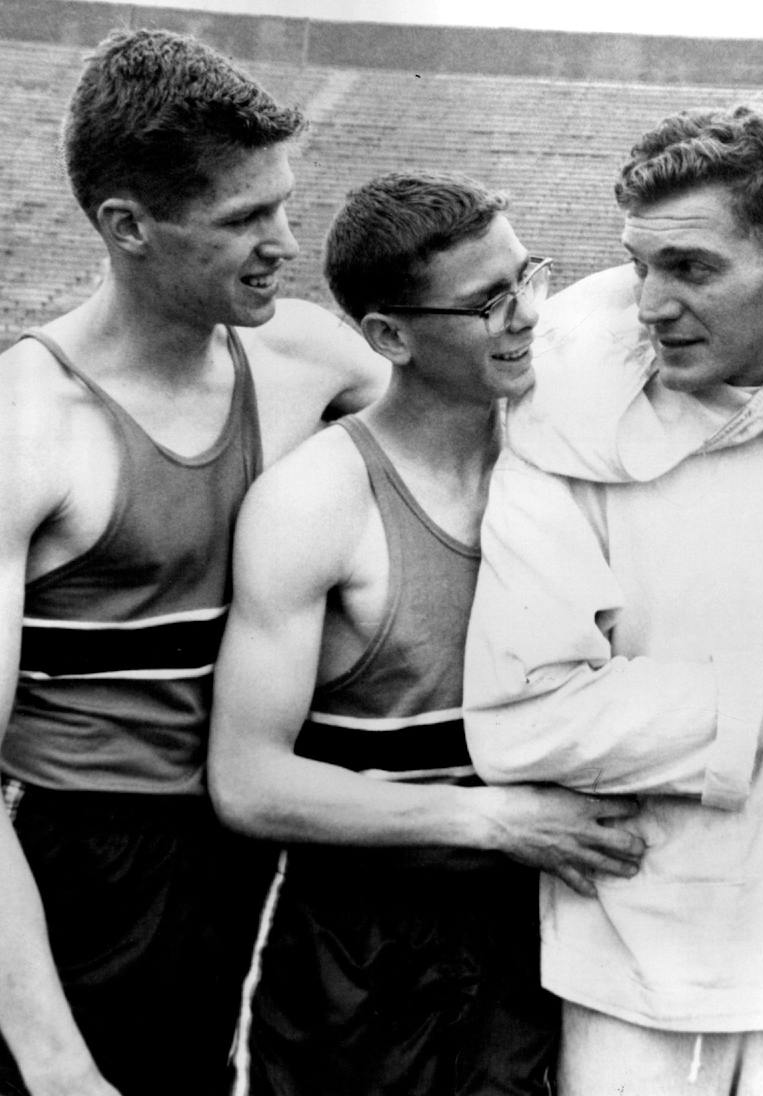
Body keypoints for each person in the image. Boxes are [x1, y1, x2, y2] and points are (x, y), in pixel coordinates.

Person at [462, 105, 763, 1095]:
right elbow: (516, 722)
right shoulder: (562, 420)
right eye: (640, 265)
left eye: (693, 269)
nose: (653, 303)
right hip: (634, 955)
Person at [0, 29, 388, 1096]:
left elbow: (482, 429)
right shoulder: (28, 425)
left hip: (258, 842)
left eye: (285, 205)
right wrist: (53, 1062)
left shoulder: (306, 357)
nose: (286, 243)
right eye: (244, 221)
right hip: (79, 874)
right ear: (127, 225)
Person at [207, 171, 646, 1096]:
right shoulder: (314, 501)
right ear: (388, 336)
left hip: (527, 928)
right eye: (489, 302)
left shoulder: (560, 460)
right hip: (358, 948)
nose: (526, 315)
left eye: (529, 278)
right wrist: (490, 819)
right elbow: (249, 781)